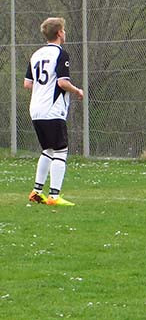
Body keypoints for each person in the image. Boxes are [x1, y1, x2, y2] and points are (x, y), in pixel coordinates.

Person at [24, 17, 83, 206]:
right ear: (59, 33)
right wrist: (77, 91)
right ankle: (54, 196)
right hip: (52, 110)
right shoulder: (61, 54)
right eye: (63, 30)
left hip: (36, 109)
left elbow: (27, 84)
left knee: (48, 149)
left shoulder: (36, 54)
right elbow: (62, 82)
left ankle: (36, 191)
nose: (64, 33)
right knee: (61, 150)